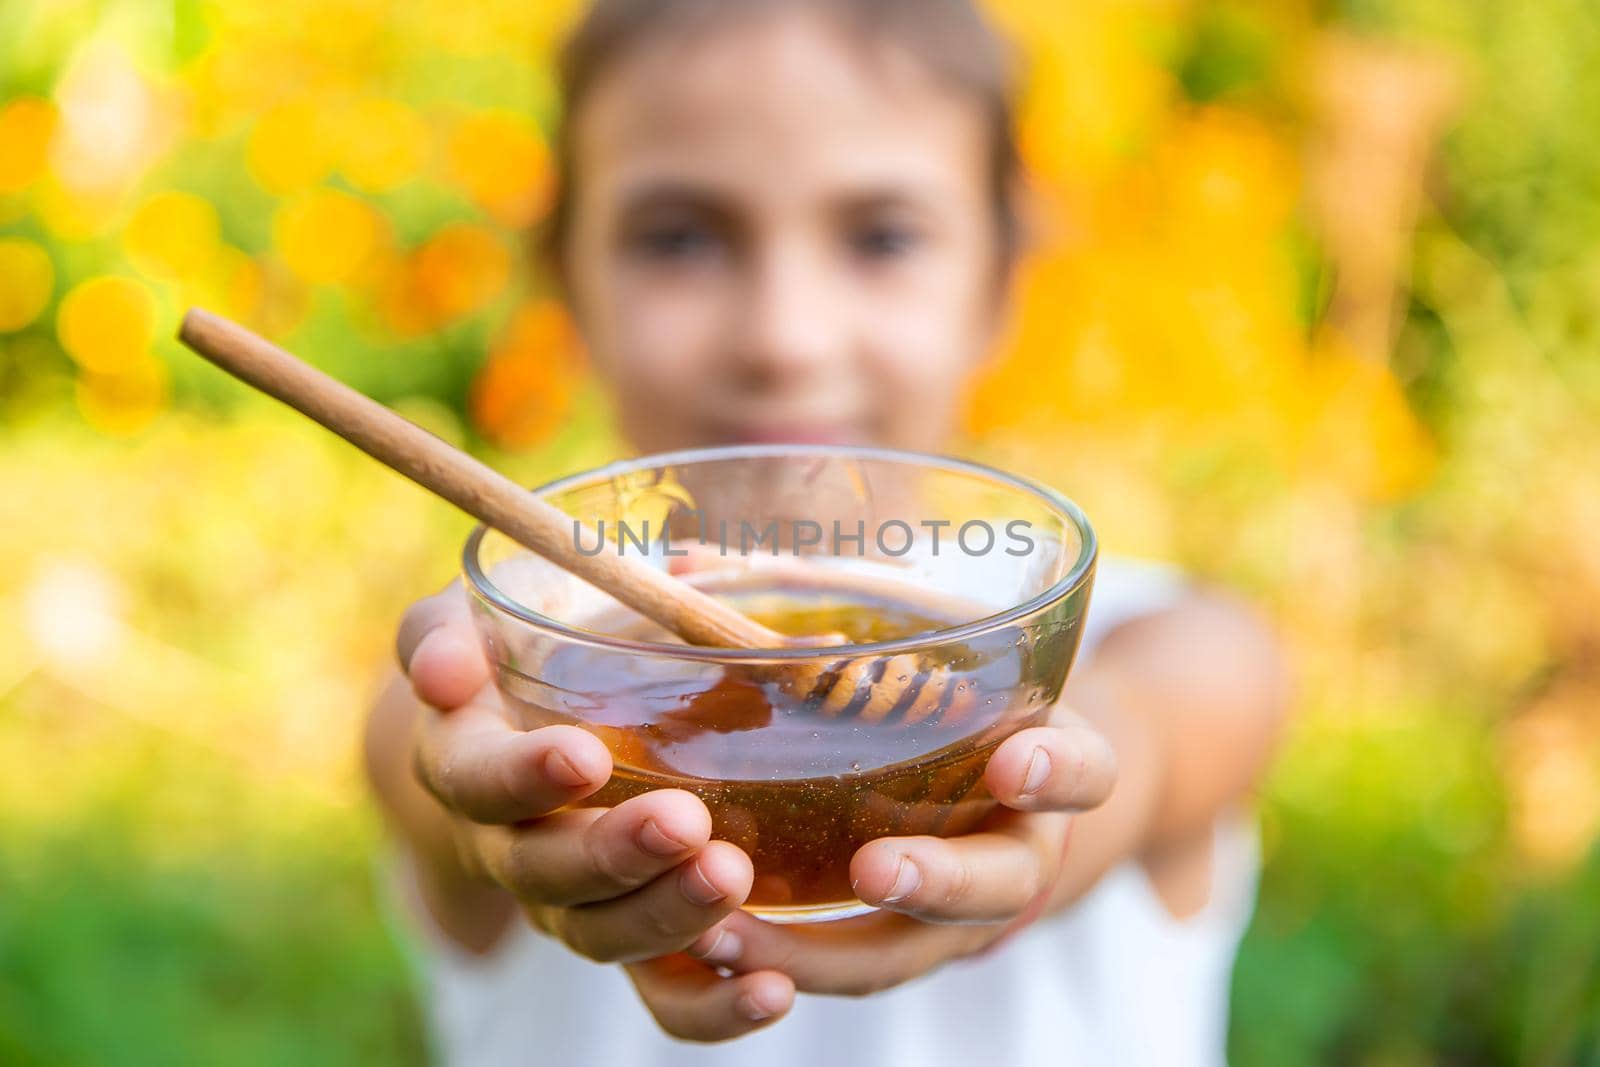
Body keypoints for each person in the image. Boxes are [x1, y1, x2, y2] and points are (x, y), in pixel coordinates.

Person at [363, 1, 1291, 1063]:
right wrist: (488, 796)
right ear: (565, 281)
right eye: (679, 236)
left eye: (882, 236)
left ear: (1000, 281)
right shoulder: (515, 678)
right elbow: (426, 758)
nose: (783, 335)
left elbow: (1156, 722)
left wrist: (1061, 795)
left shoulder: (1161, 642)